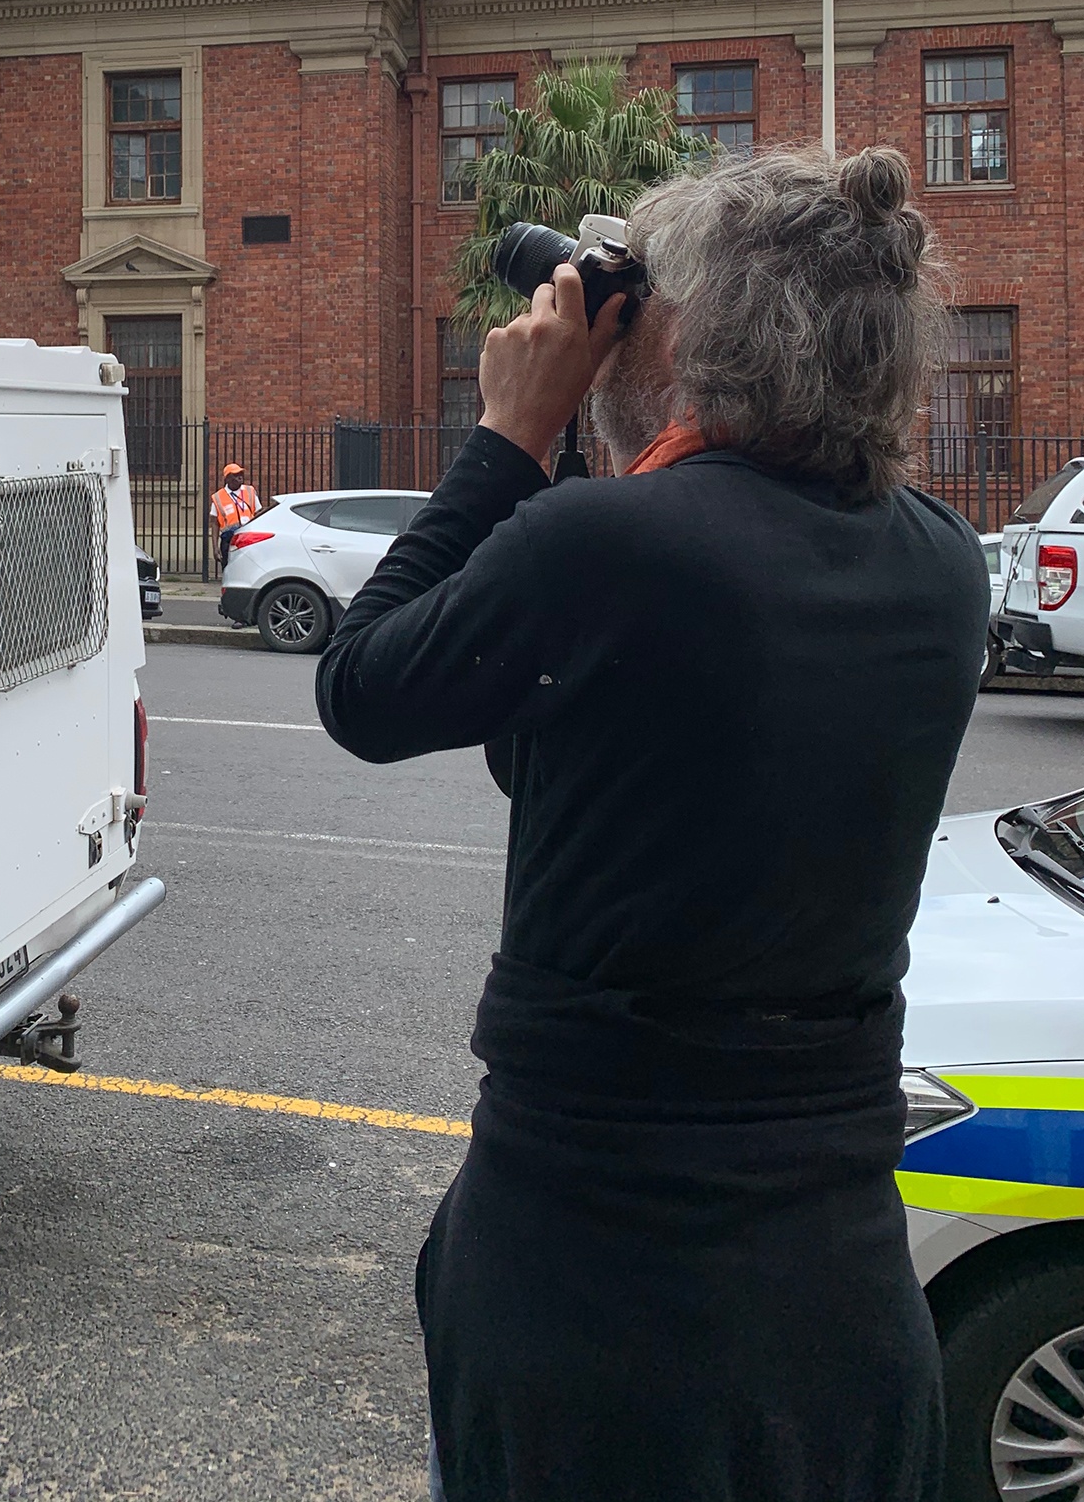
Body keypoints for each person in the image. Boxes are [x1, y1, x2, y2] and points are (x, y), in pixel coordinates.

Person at [315, 147, 988, 1502]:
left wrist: (510, 436)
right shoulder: (937, 562)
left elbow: (363, 688)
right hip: (838, 1293)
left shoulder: (610, 549)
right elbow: (571, 759)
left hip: (595, 1295)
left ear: (687, 339)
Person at [211, 462, 261, 570]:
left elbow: (258, 513)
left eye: (241, 473)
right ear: (227, 479)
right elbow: (215, 523)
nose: (240, 476)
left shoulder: (250, 491)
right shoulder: (218, 497)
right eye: (236, 474)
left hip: (248, 538)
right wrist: (215, 547)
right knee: (229, 569)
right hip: (229, 539)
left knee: (250, 569)